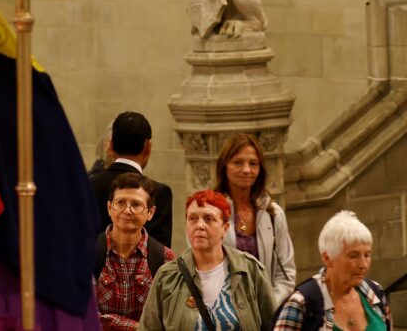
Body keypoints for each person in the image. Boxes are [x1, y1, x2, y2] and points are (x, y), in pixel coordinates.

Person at [138, 190, 275, 330]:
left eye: (208, 218)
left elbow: (274, 324)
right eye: (192, 218)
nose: (199, 225)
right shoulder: (167, 276)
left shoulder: (250, 270)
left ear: (225, 228)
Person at [272, 210, 392, 330]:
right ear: (327, 258)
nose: (363, 265)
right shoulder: (301, 304)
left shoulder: (375, 293)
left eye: (367, 255)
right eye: (353, 256)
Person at [214, 133, 296, 303]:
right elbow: (202, 270)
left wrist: (269, 305)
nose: (246, 170)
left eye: (253, 163)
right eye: (238, 162)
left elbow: (286, 274)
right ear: (225, 166)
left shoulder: (273, 214)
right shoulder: (209, 213)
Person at [95, 172, 176, 330]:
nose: (127, 210)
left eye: (136, 204)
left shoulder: (165, 258)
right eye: (120, 202)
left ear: (150, 213)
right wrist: (140, 327)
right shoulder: (89, 253)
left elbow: (168, 315)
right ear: (109, 208)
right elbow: (87, 313)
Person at [90, 111, 174, 246]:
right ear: (148, 147)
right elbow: (159, 259)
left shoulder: (87, 187)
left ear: (110, 146)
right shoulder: (159, 193)